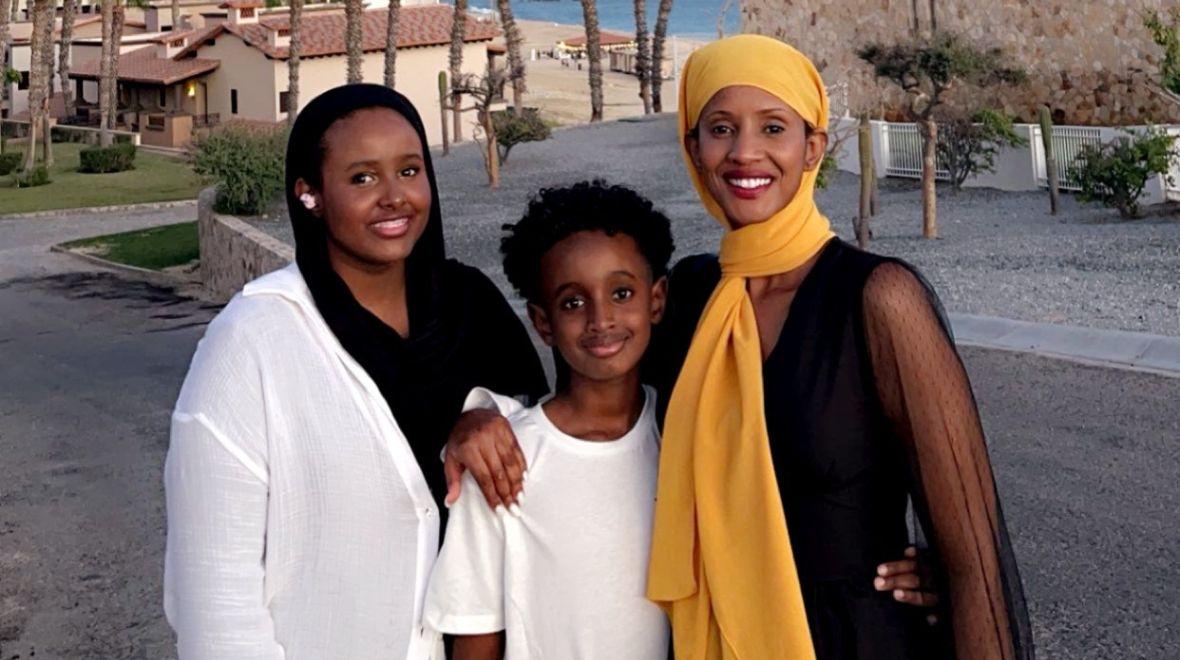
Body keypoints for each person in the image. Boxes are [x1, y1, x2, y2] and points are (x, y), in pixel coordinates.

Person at [642, 35, 1034, 659]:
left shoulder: (879, 298)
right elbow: (592, 399)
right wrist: (482, 420)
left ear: (812, 148)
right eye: (720, 128)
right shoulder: (689, 294)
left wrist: (939, 576)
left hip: (858, 639)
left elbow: (973, 556)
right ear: (693, 148)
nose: (745, 152)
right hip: (715, 637)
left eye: (773, 127)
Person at [163, 84, 546, 659]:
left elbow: (548, 452)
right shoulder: (253, 343)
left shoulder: (471, 307)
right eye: (362, 178)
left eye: (409, 171)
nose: (394, 197)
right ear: (310, 194)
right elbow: (215, 599)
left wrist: (482, 414)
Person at [424, 181, 674, 660]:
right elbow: (476, 635)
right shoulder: (506, 460)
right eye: (573, 303)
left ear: (656, 300)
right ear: (542, 323)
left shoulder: (681, 435)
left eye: (621, 292)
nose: (601, 319)